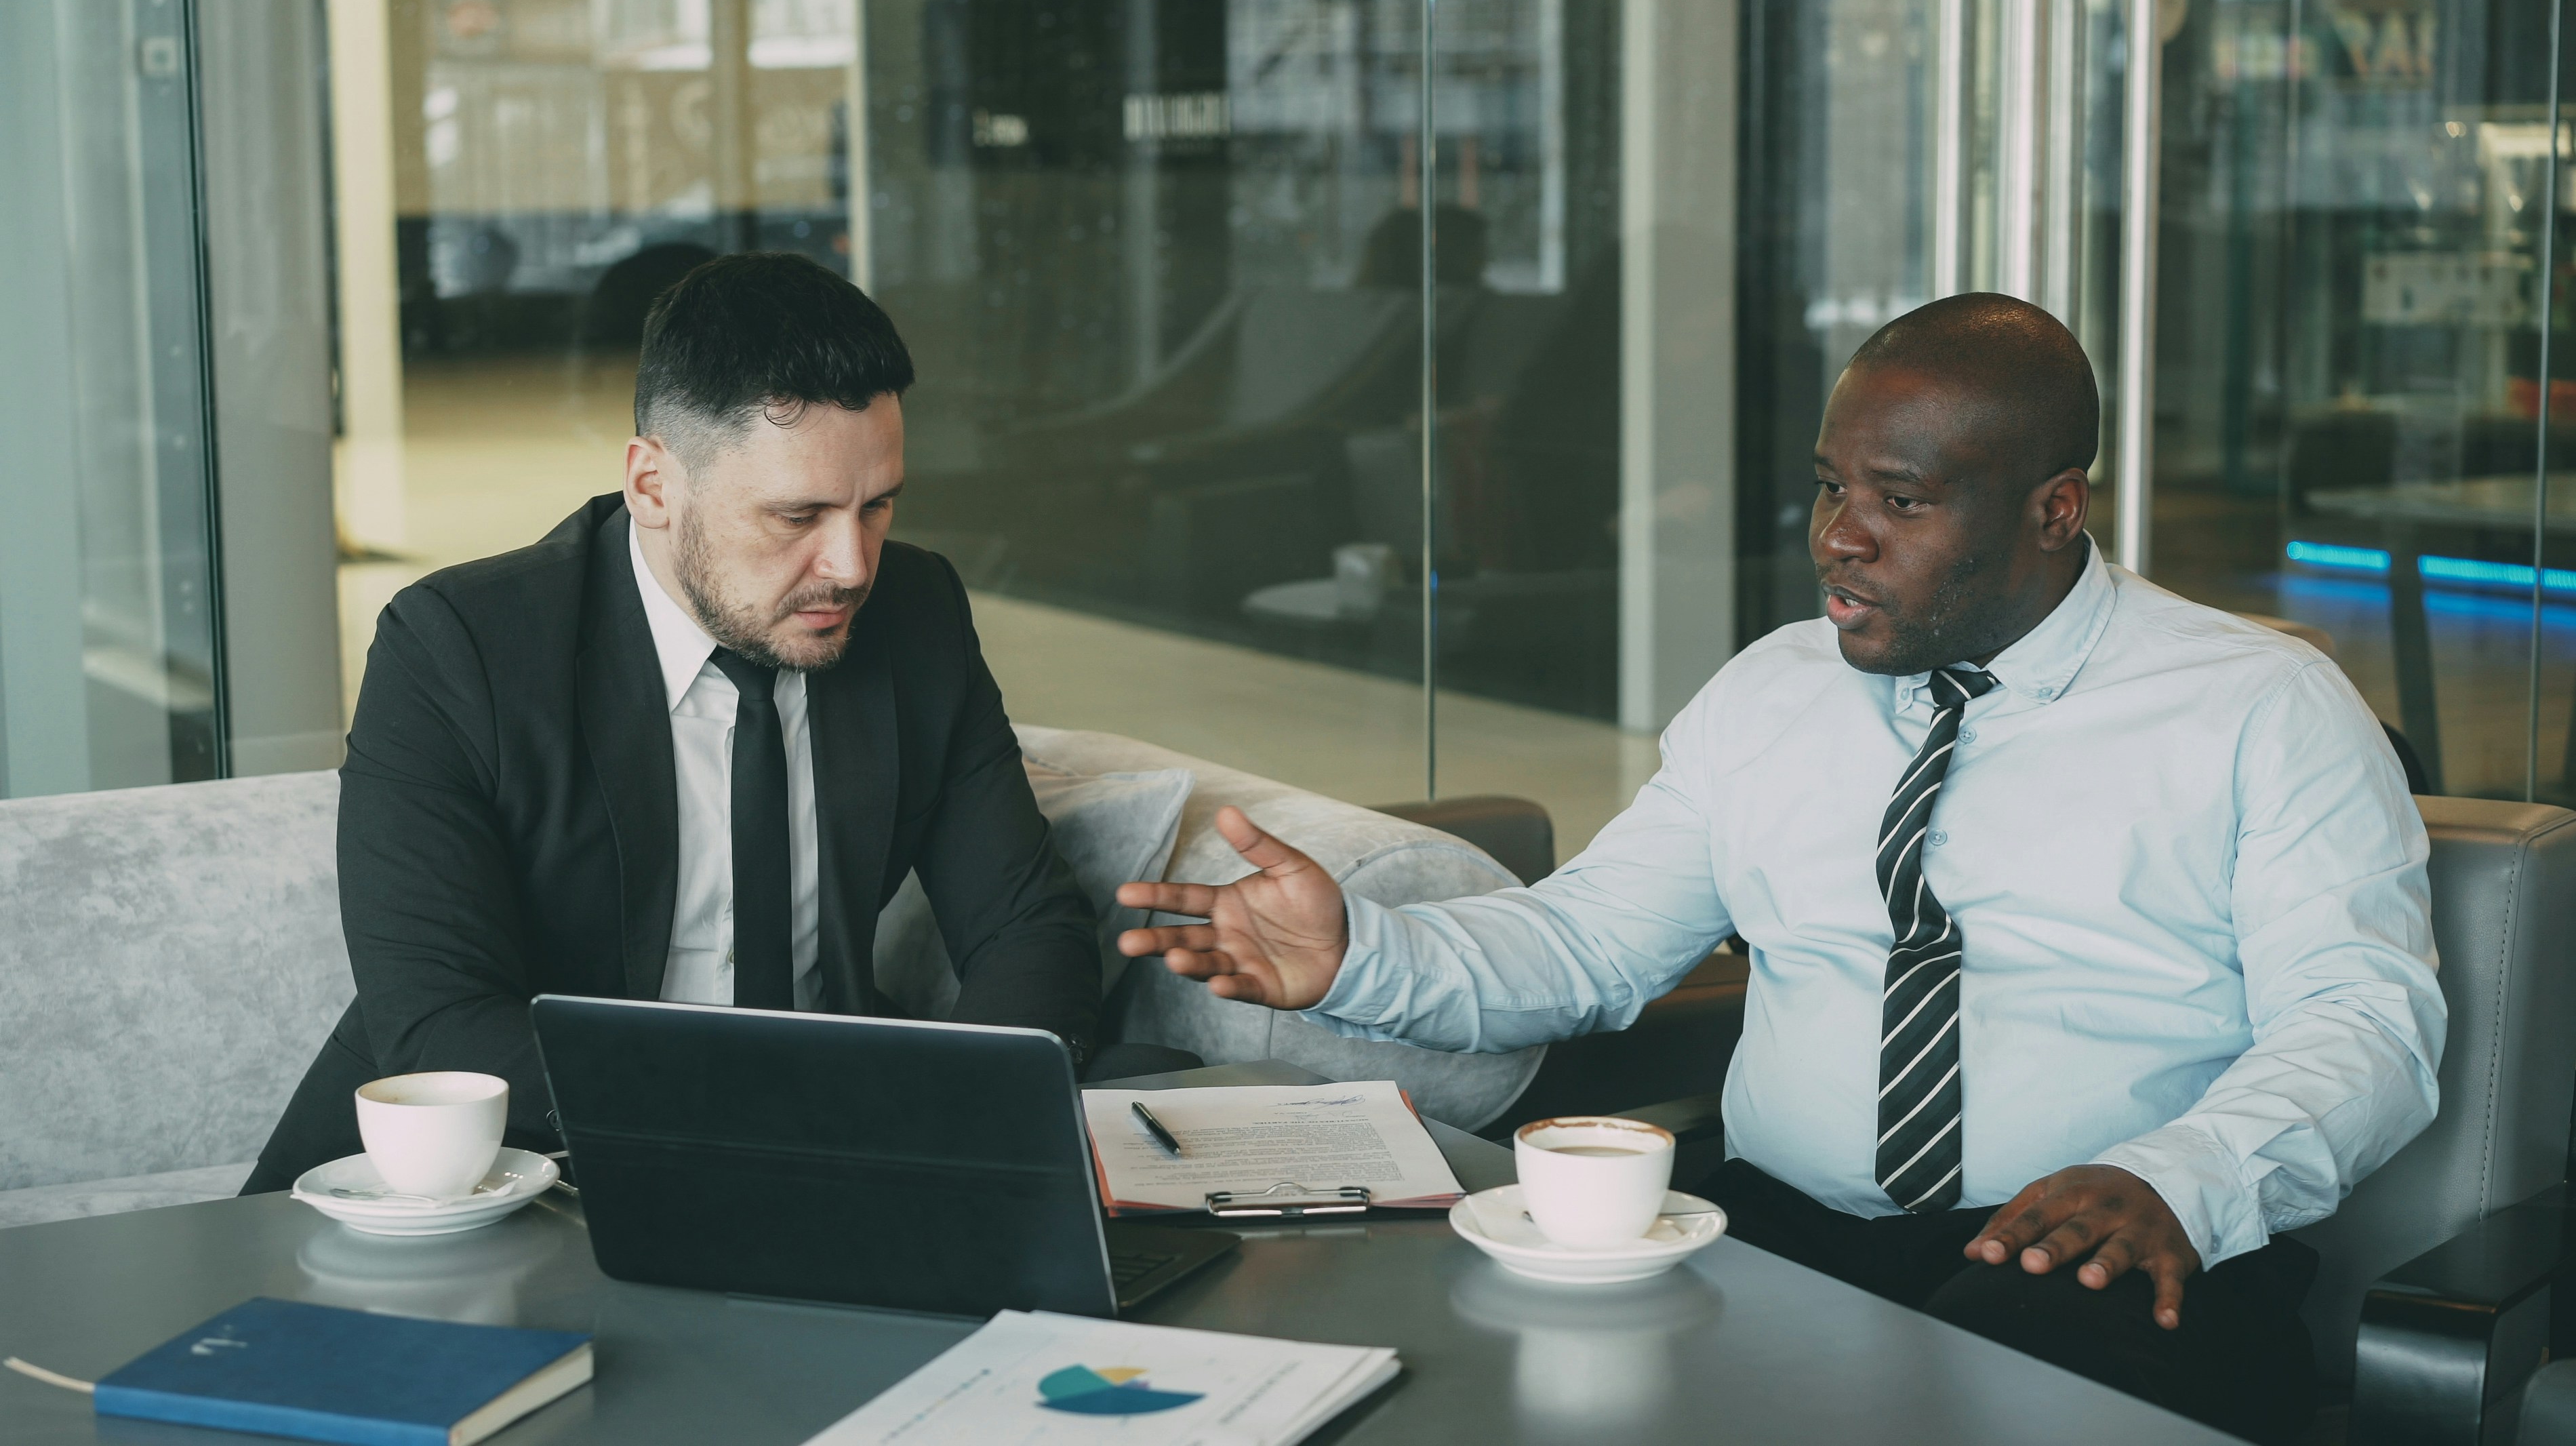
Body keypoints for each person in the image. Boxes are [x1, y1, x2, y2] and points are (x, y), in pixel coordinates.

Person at [1115, 294, 2443, 1443]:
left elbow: (2364, 1017)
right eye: (1829, 488)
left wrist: (2183, 1178)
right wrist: (1361, 951)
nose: (1838, 538)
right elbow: (1588, 942)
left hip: (2100, 1256)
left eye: (1900, 502)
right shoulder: (1772, 691)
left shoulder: (2259, 707)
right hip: (1779, 1231)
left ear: (2054, 509)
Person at [247, 252, 1179, 1193]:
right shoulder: (459, 649)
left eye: (877, 506)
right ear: (654, 485)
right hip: (513, 1164)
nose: (853, 565)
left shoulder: (916, 613)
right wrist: (767, 1118)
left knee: (1166, 1104)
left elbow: (1026, 925)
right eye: (797, 516)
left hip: (831, 1157)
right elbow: (442, 1025)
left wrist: (946, 1118)